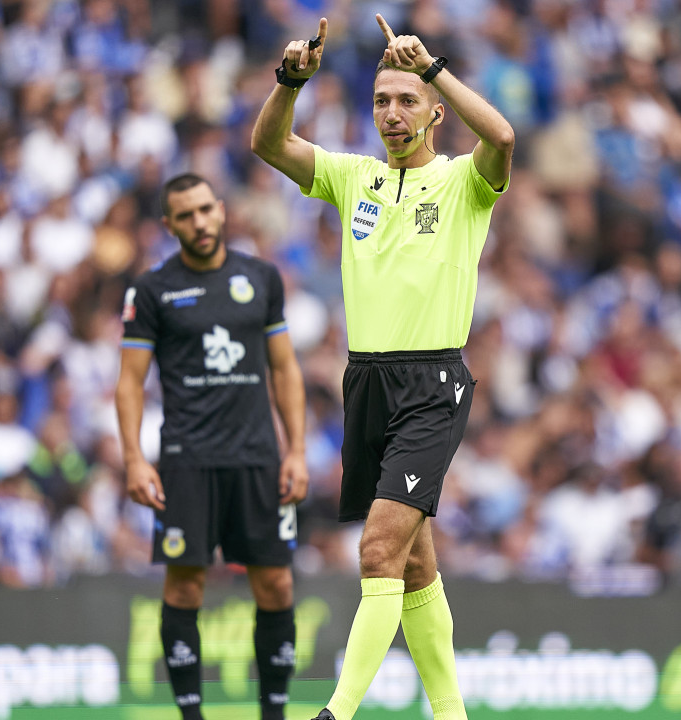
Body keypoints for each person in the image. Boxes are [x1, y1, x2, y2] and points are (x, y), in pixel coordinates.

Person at [251, 14, 514, 720]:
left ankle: (335, 712)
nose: (391, 115)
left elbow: (504, 137)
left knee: (377, 551)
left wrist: (433, 69)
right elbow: (267, 142)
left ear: (433, 110)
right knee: (416, 564)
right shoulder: (352, 177)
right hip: (366, 382)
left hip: (431, 383)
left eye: (405, 101)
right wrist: (290, 82)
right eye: (380, 101)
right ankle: (451, 713)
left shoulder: (464, 183)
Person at [114, 173, 308, 720]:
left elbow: (284, 368)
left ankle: (274, 712)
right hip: (187, 461)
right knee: (185, 584)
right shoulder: (151, 291)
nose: (199, 222)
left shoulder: (261, 278)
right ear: (169, 224)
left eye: (205, 210)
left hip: (258, 458)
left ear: (221, 210)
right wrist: (133, 458)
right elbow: (129, 382)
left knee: (274, 582)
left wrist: (295, 450)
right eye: (186, 215)